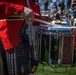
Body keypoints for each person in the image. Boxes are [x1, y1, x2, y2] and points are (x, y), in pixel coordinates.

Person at [0, 0, 40, 75]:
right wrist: (18, 9)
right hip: (10, 38)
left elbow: (28, 4)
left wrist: (38, 17)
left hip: (26, 38)